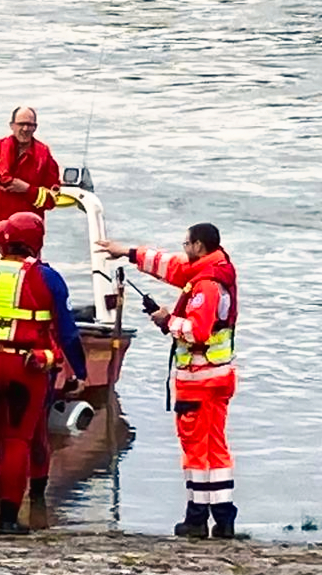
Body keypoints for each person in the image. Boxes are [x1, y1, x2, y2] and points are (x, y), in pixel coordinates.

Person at [96, 224, 239, 540]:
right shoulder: (218, 269)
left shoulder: (206, 286)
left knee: (195, 450)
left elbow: (197, 332)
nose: (184, 248)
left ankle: (197, 517)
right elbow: (172, 267)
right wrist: (129, 253)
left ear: (199, 246)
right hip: (219, 376)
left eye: (187, 243)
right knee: (217, 450)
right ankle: (224, 517)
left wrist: (166, 320)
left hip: (198, 379)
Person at [0, 213, 88, 536]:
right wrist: (79, 371)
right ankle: (8, 520)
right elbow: (67, 333)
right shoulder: (49, 278)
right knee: (17, 441)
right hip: (26, 367)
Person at [0, 106, 61, 226]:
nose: (25, 129)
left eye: (30, 125)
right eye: (21, 124)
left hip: (27, 231)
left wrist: (27, 189)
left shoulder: (43, 155)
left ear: (35, 127)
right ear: (12, 125)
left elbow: (52, 199)